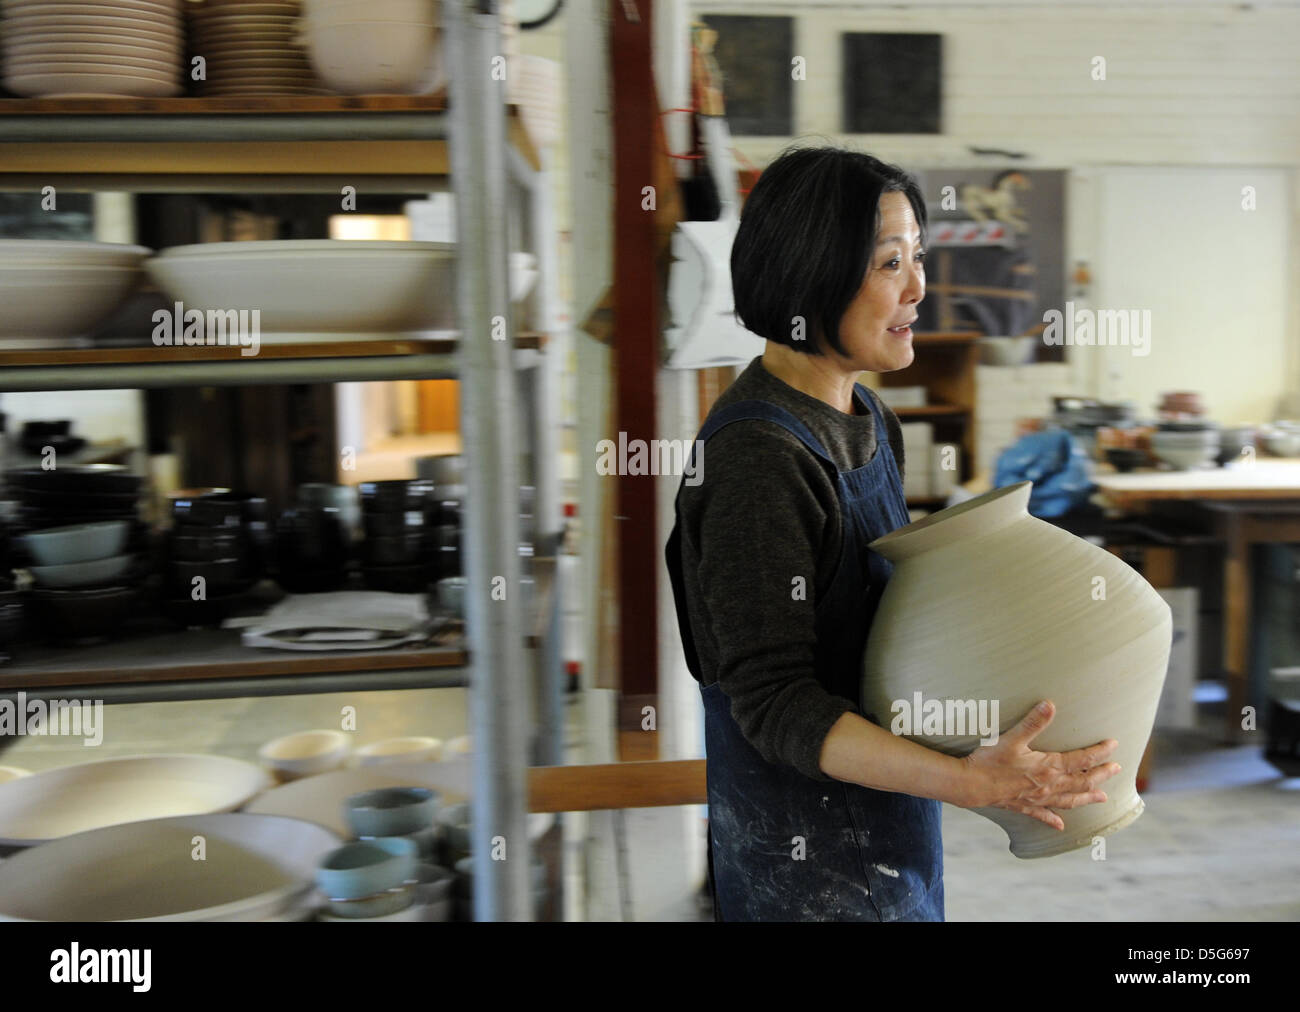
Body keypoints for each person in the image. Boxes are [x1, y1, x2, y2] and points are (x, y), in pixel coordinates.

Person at [664, 146, 1121, 922]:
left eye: (918, 257)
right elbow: (777, 705)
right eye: (888, 263)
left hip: (886, 825)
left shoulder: (866, 417)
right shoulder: (756, 460)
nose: (917, 287)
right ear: (814, 270)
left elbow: (875, 625)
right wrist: (974, 782)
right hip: (805, 865)